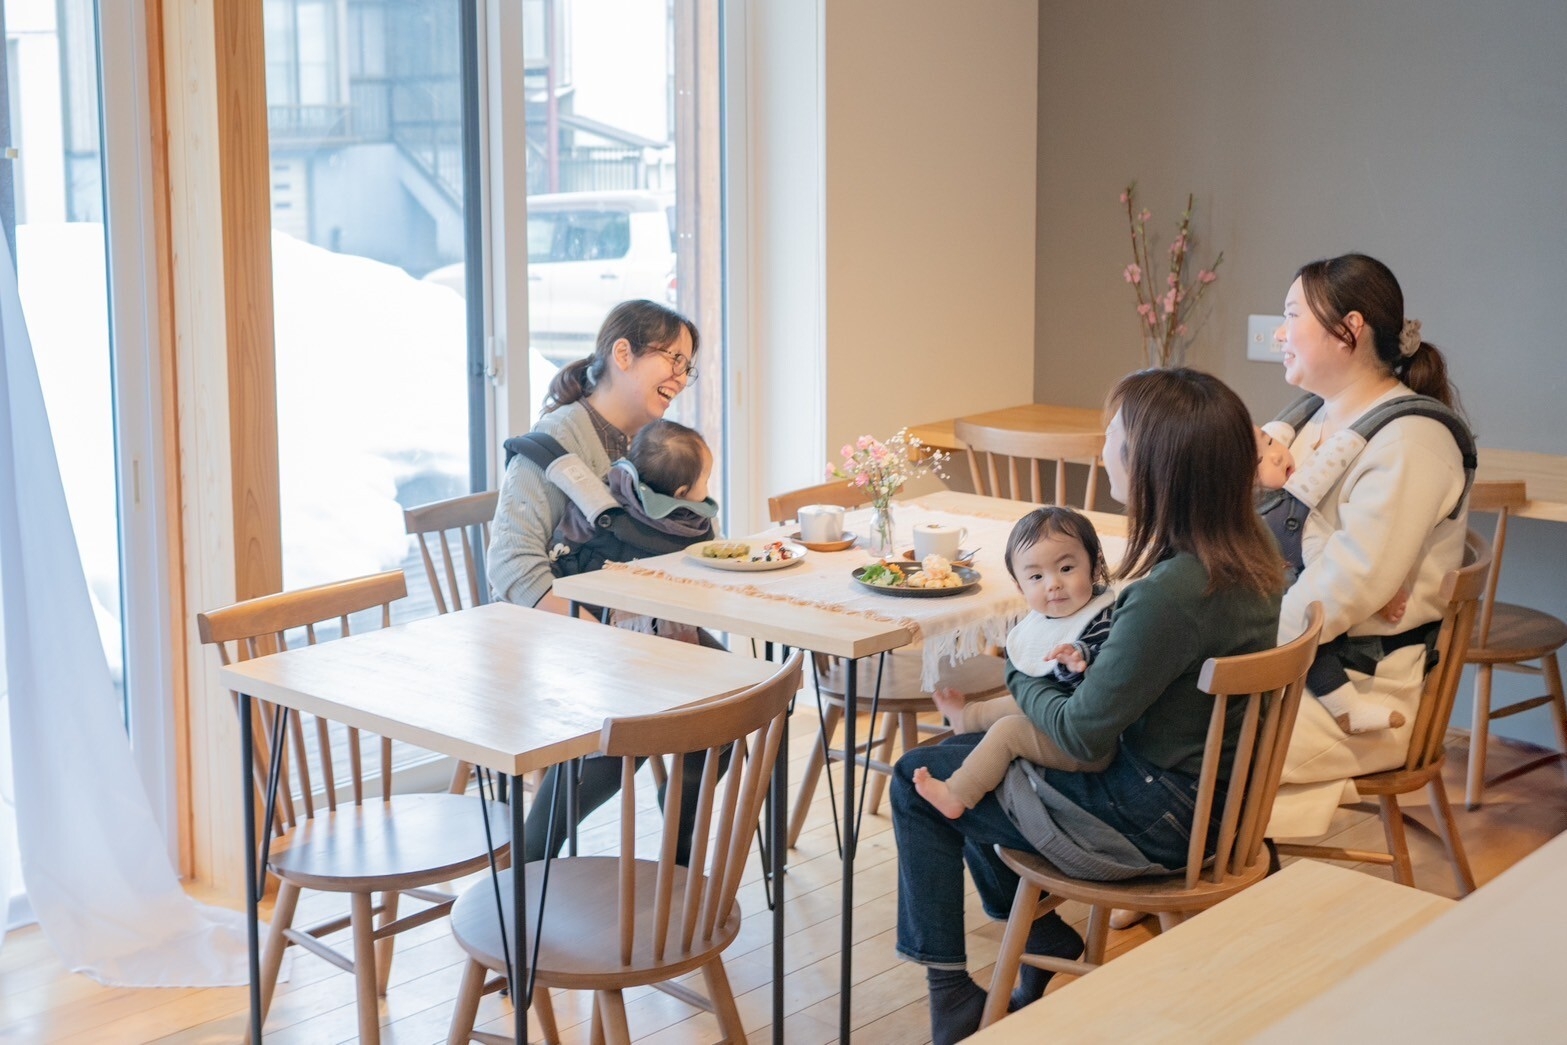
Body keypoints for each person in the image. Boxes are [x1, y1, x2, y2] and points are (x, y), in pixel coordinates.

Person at [890, 368, 1284, 1044]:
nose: (1102, 448)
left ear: (1154, 465)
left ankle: (956, 994)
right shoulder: (1250, 551)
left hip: (1156, 819)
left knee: (914, 781)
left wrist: (1018, 673)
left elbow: (1079, 732)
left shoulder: (1173, 592)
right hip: (1215, 805)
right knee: (957, 763)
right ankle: (1043, 942)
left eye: (1114, 436)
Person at [487, 299, 717, 863]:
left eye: (690, 367)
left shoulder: (660, 441)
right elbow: (512, 564)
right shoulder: (559, 440)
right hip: (559, 637)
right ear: (622, 354)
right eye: (674, 361)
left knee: (746, 697)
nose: (682, 379)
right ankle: (529, 871)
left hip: (640, 633)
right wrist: (601, 637)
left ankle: (676, 866)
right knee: (640, 719)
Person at [1262, 254, 1471, 839]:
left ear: (1348, 330)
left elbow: (1348, 586)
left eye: (1290, 315)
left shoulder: (1411, 441)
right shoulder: (1308, 420)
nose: (1279, 333)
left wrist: (1233, 633)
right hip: (1293, 661)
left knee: (1176, 728)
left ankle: (1172, 872)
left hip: (1361, 693)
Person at [913, 507, 1119, 819]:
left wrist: (1080, 658)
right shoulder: (1044, 617)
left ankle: (958, 793)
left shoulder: (1104, 616)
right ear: (1020, 587)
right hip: (1056, 718)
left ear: (1094, 568)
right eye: (1036, 576)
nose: (1053, 584)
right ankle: (966, 718)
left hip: (1087, 746)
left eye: (1066, 568)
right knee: (1015, 702)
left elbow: (1104, 657)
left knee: (1009, 730)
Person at [548, 418, 717, 579]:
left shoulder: (601, 505)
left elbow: (566, 544)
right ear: (681, 493)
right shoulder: (694, 527)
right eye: (706, 480)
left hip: (599, 602)